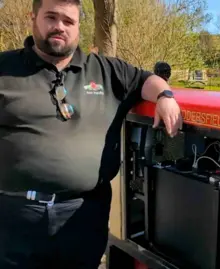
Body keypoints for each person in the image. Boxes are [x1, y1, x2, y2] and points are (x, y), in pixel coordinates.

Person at [0, 0, 182, 268]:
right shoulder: (5, 69)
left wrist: (166, 96)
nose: (59, 27)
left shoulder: (107, 71)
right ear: (33, 17)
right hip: (15, 219)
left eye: (68, 21)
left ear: (78, 27)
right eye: (51, 17)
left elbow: (146, 80)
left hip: (84, 217)